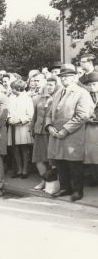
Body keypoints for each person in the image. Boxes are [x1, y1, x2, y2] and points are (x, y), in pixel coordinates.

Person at [46, 64, 94, 201]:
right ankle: (65, 188)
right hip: (56, 134)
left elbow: (82, 115)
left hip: (73, 135)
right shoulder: (57, 93)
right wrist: (49, 126)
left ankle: (78, 191)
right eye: (62, 76)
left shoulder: (82, 93)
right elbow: (49, 113)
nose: (64, 79)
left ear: (74, 77)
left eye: (68, 76)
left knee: (74, 164)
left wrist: (65, 130)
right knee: (60, 163)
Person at [31, 76, 61, 191]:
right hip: (39, 132)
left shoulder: (58, 98)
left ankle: (54, 184)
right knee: (38, 159)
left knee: (52, 160)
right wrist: (32, 128)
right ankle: (43, 181)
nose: (48, 87)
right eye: (47, 84)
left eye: (51, 85)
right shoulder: (40, 98)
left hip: (51, 133)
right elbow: (35, 115)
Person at [7, 80, 34, 178]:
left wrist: (19, 121)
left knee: (24, 148)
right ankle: (19, 169)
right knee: (14, 148)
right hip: (13, 126)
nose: (11, 90)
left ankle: (25, 170)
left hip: (23, 127)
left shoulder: (27, 98)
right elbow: (8, 111)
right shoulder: (11, 98)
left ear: (17, 88)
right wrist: (9, 118)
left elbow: (30, 115)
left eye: (12, 88)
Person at [83, 72, 98, 186]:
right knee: (91, 154)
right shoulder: (84, 97)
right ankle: (94, 178)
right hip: (89, 129)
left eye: (94, 84)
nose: (92, 87)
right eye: (90, 85)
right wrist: (86, 118)